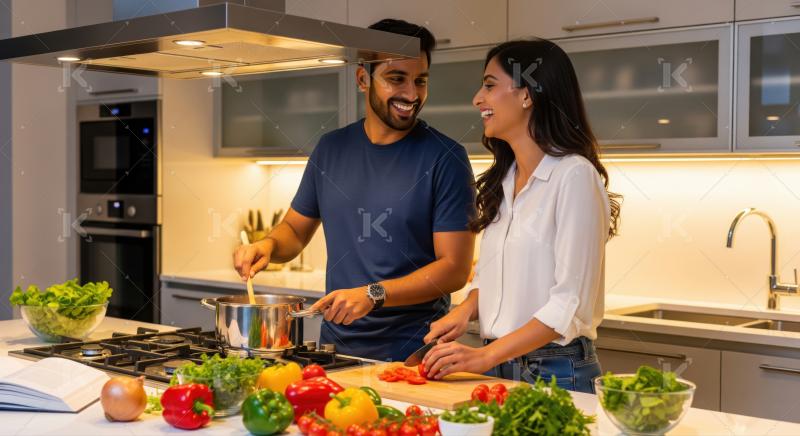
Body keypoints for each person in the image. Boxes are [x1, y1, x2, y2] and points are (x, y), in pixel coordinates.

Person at [233, 19, 476, 362]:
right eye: (396, 79)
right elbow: (295, 231)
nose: (411, 94)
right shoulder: (330, 149)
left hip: (413, 352)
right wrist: (268, 246)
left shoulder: (446, 157)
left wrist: (373, 294)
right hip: (336, 349)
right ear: (363, 78)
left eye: (420, 81)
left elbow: (454, 269)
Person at [421, 39, 622, 393]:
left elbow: (569, 304)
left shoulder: (574, 176)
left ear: (527, 95)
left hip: (555, 371)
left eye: (489, 85)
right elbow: (493, 276)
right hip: (498, 366)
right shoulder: (506, 179)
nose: (477, 99)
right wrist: (465, 310)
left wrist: (484, 356)